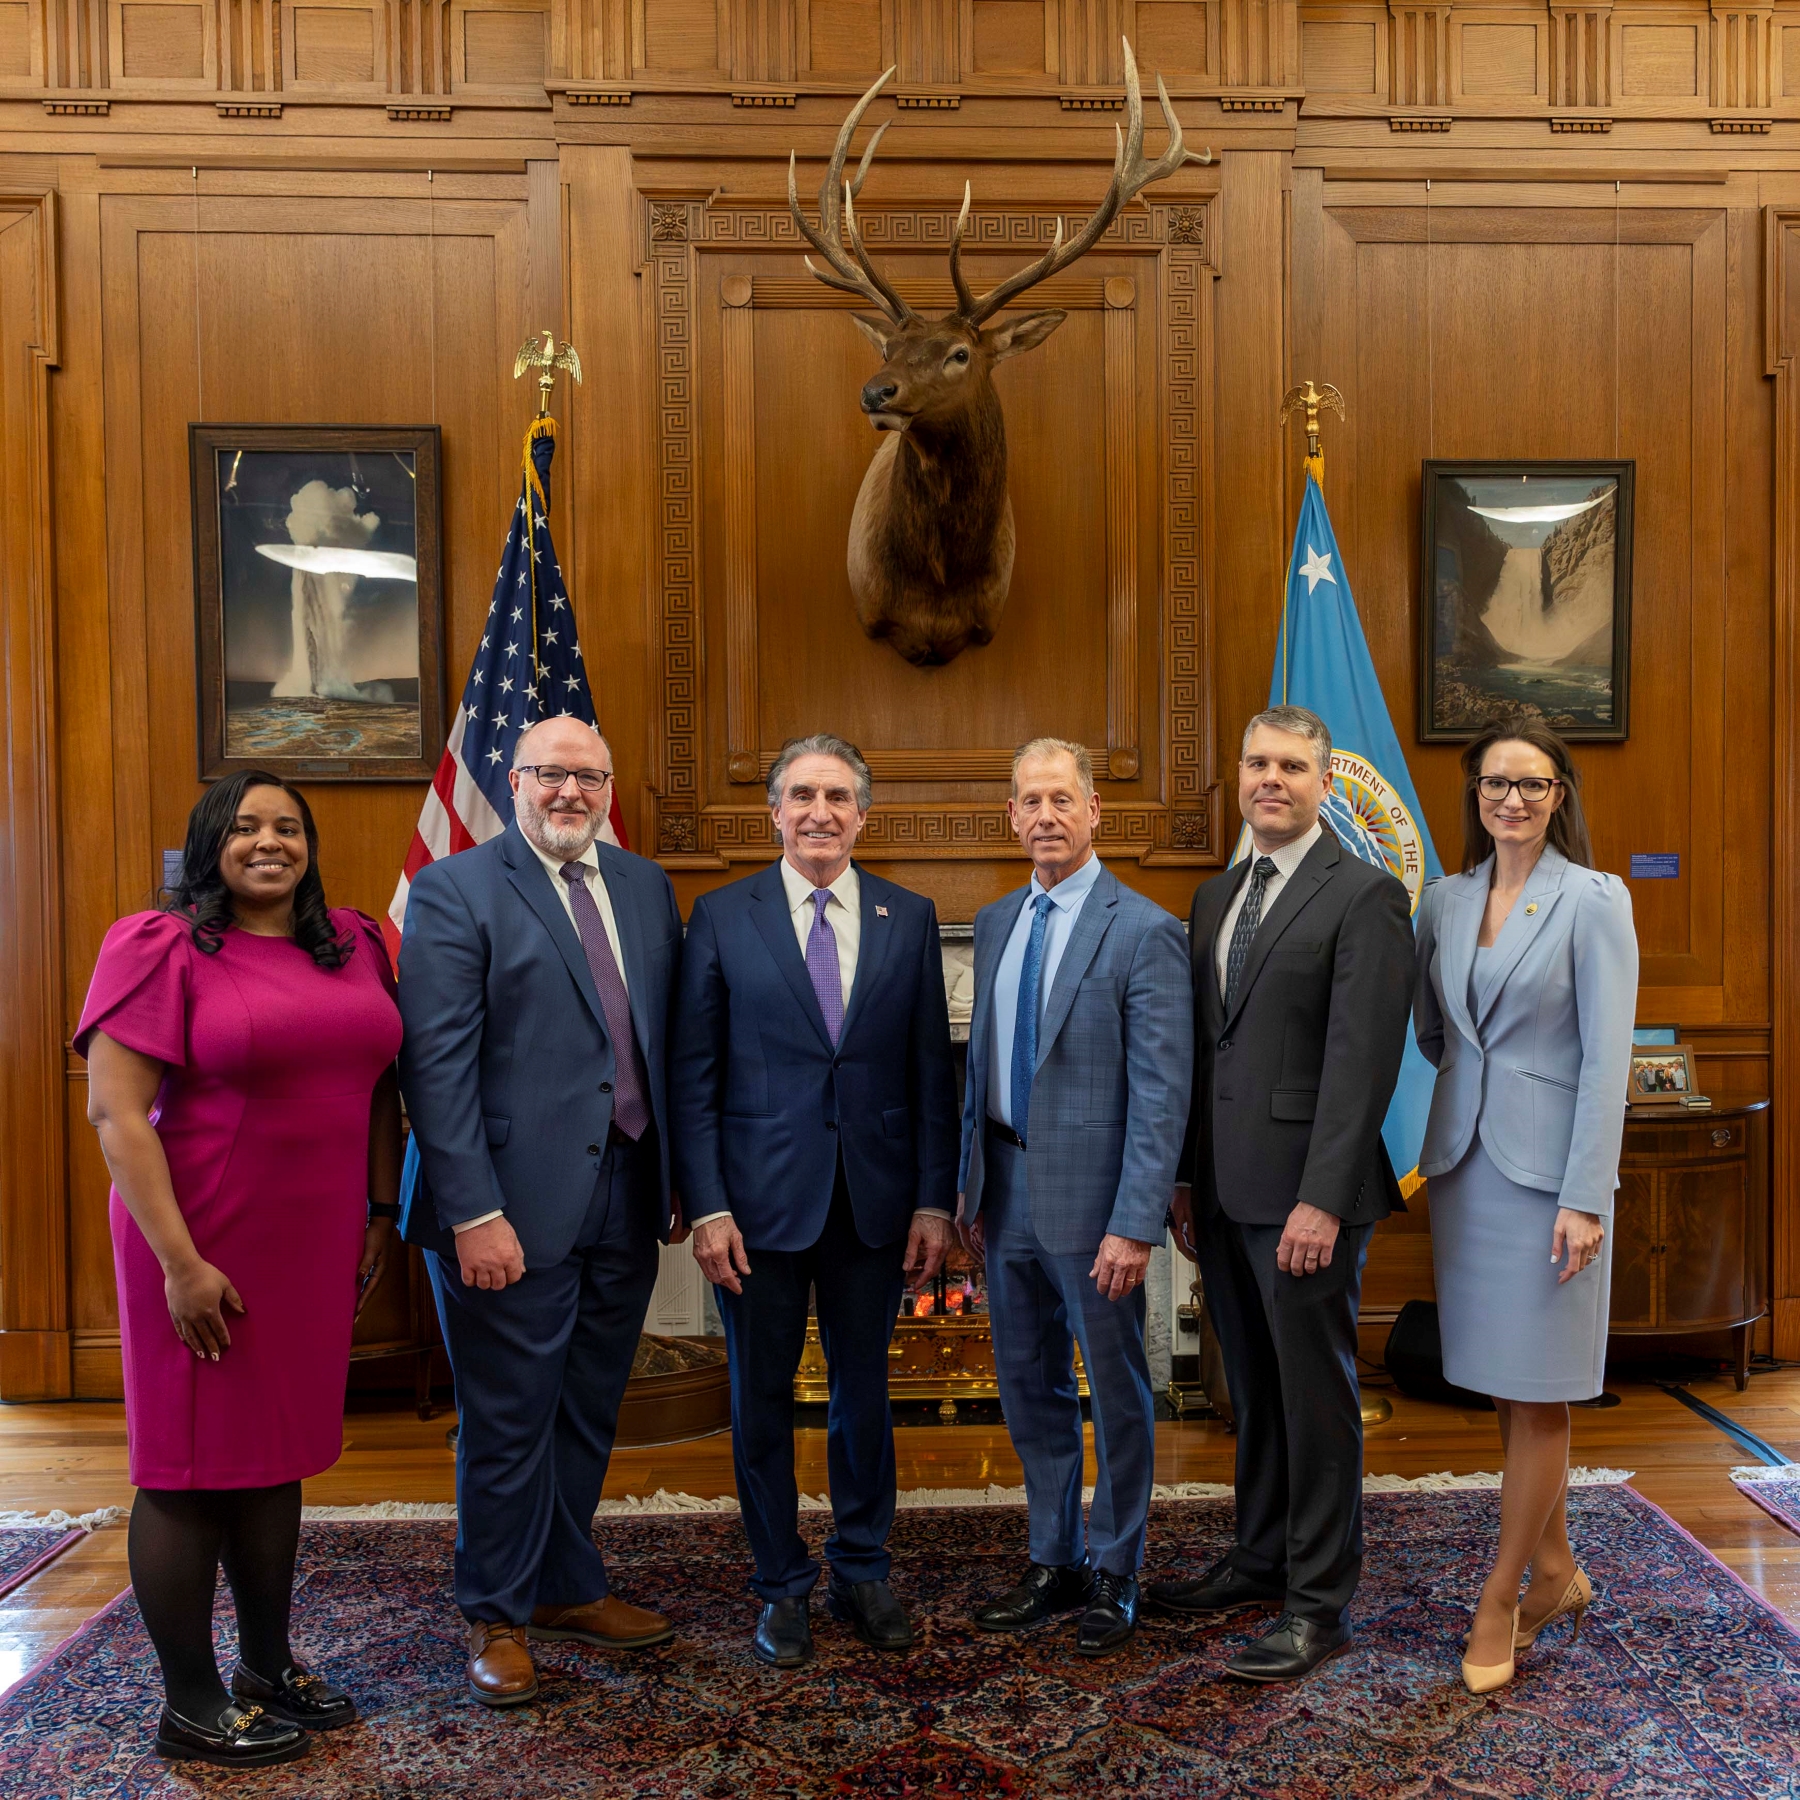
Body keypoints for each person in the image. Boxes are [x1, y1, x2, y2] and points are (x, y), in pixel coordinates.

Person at [77, 772, 402, 1769]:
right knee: (186, 1471)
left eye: (288, 826)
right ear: (210, 842)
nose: (270, 841)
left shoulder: (355, 944)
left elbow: (384, 1087)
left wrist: (380, 1210)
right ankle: (190, 1700)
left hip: (310, 1243)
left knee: (275, 1454)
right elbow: (116, 1115)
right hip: (198, 1235)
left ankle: (267, 1664)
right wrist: (181, 1264)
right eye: (246, 825)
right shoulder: (161, 946)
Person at [397, 716, 685, 1707]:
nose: (571, 792)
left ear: (610, 787)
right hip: (506, 1206)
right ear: (514, 782)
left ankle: (564, 1586)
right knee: (509, 1419)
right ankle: (496, 1614)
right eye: (551, 775)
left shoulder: (645, 886)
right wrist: (473, 1212)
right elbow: (434, 1068)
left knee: (587, 1406)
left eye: (590, 777)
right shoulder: (456, 889)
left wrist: (682, 1181)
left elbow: (660, 1042)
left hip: (627, 1191)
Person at [671, 734, 959, 1668]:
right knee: (759, 1402)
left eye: (838, 796)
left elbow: (929, 1074)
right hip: (753, 1212)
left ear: (862, 815)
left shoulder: (908, 916)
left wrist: (932, 1200)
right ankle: (781, 1583)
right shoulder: (720, 916)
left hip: (873, 1205)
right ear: (775, 811)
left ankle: (863, 1566)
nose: (821, 812)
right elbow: (694, 1075)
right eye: (803, 795)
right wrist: (706, 1203)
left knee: (863, 1395)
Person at [1151, 705, 1415, 1682]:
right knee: (1252, 1393)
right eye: (1257, 761)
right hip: (1222, 1194)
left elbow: (1360, 1066)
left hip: (1309, 1198)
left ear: (1324, 780)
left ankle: (1318, 1602)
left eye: (1292, 765)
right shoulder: (1218, 897)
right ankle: (1259, 1558)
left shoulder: (1366, 895)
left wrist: (1321, 1198)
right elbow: (1203, 1055)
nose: (1272, 778)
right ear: (1241, 771)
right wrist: (1184, 1177)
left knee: (1314, 1400)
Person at [1412, 719, 1636, 1694]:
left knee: (1541, 1390)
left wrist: (1587, 1196)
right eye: (1496, 783)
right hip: (1464, 1170)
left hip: (1553, 1185)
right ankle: (1556, 1568)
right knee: (1506, 1384)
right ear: (1475, 794)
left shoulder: (1594, 901)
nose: (1512, 799)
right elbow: (1432, 1028)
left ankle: (1503, 1595)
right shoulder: (1443, 902)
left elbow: (1606, 1060)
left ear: (1559, 796)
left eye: (1532, 785)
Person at [958, 739, 1192, 1654]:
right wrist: (969, 1188)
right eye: (1030, 801)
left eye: (1063, 799)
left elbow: (1161, 1093)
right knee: (1030, 1390)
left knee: (1118, 1394)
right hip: (1004, 1196)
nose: (1046, 816)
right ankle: (1052, 1556)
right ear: (1012, 818)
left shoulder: (1143, 929)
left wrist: (1135, 1224)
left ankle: (1117, 1569)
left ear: (1095, 812)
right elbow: (981, 1072)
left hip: (1098, 1210)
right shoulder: (992, 922)